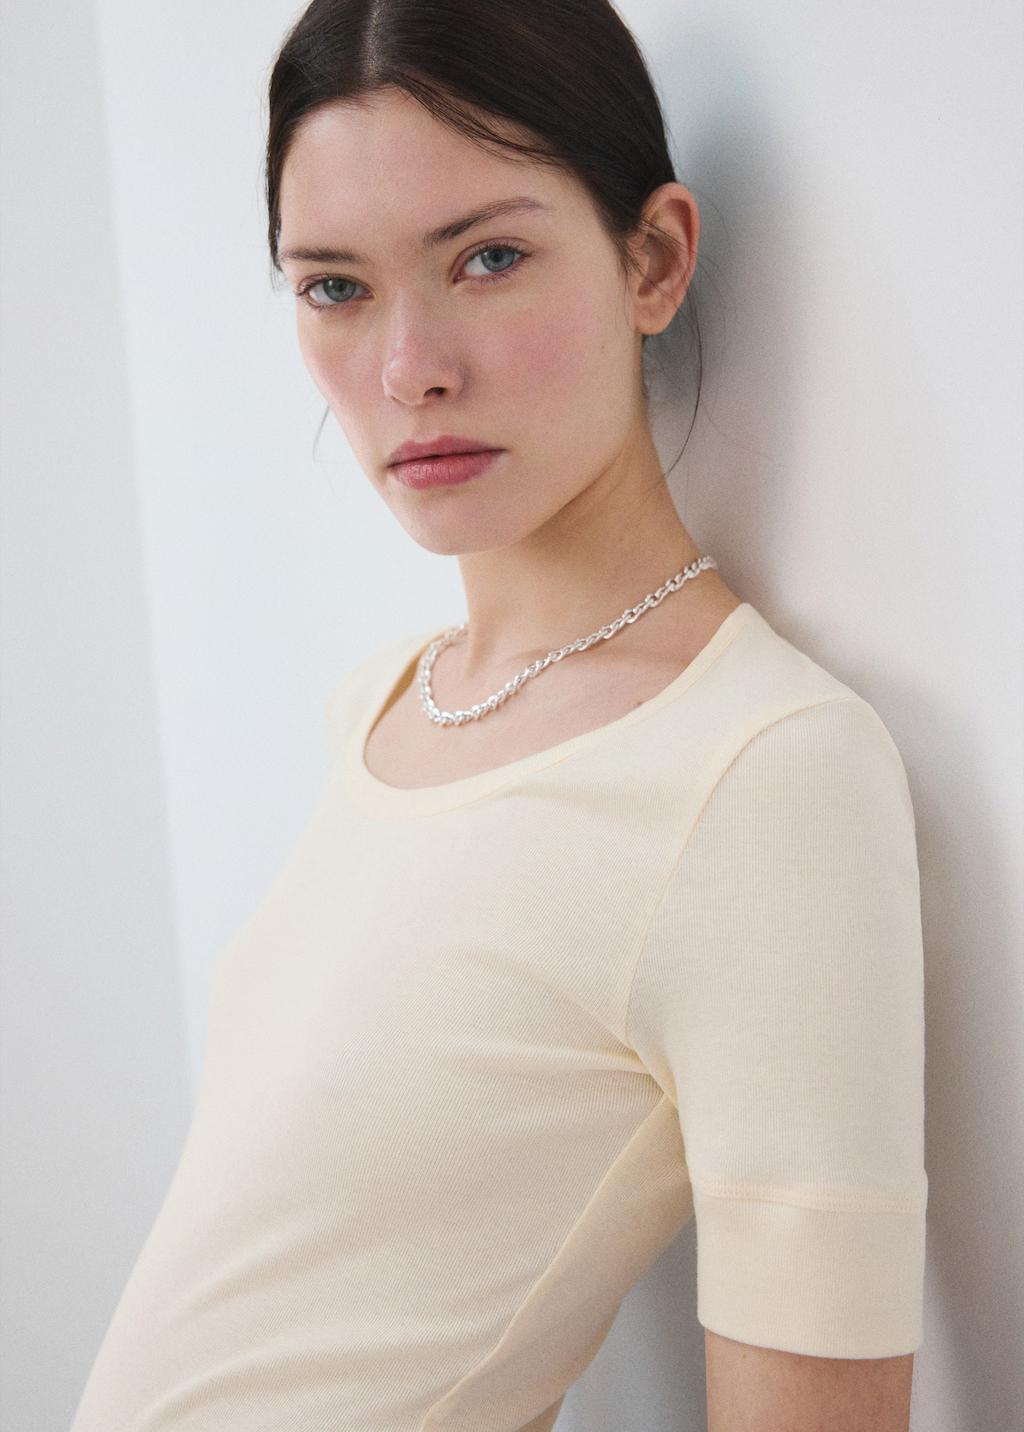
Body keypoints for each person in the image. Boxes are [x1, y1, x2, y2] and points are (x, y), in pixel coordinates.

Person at [70, 3, 928, 1429]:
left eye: (487, 258)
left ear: (654, 259)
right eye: (335, 286)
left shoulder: (762, 774)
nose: (409, 368)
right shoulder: (385, 708)